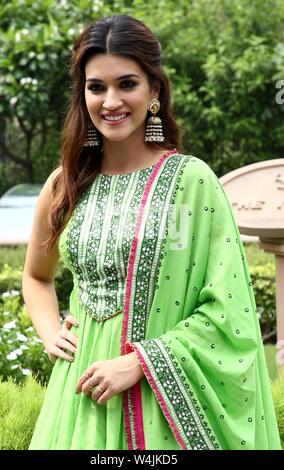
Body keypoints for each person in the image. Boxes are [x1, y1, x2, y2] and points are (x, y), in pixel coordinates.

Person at [23, 14, 281, 450]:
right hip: (79, 395)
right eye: (96, 86)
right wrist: (51, 333)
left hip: (158, 397)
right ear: (82, 93)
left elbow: (230, 309)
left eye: (127, 84)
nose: (110, 101)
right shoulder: (64, 184)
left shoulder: (191, 182)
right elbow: (36, 276)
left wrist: (141, 363)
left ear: (154, 91)